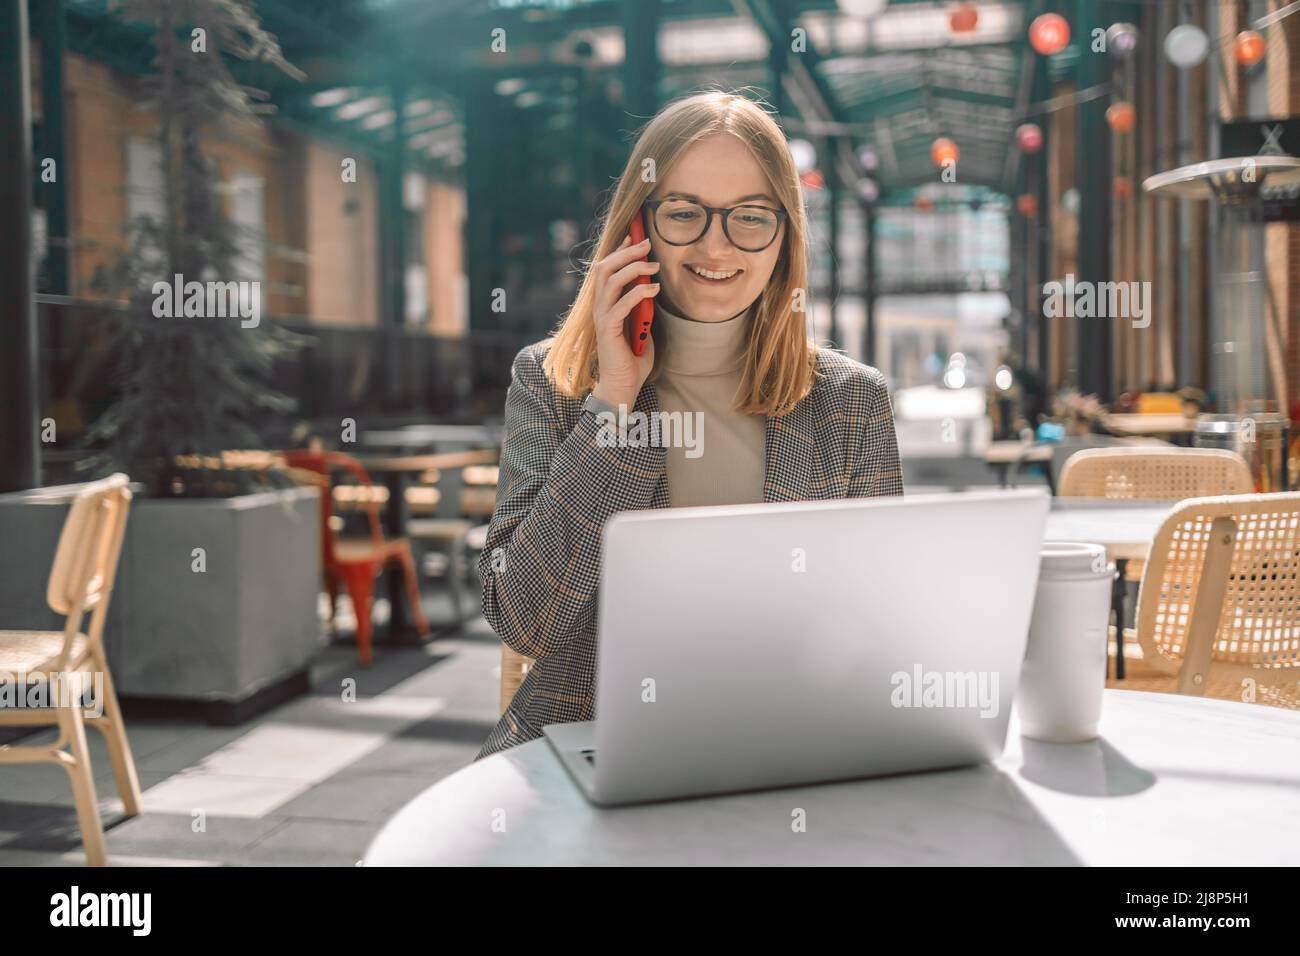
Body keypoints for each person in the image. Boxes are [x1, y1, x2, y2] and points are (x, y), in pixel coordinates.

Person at [475, 89, 903, 759]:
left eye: (751, 217)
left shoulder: (851, 403)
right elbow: (529, 621)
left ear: (784, 236)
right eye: (683, 213)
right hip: (591, 748)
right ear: (636, 230)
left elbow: (876, 624)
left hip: (780, 751)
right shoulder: (553, 382)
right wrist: (614, 400)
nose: (716, 244)